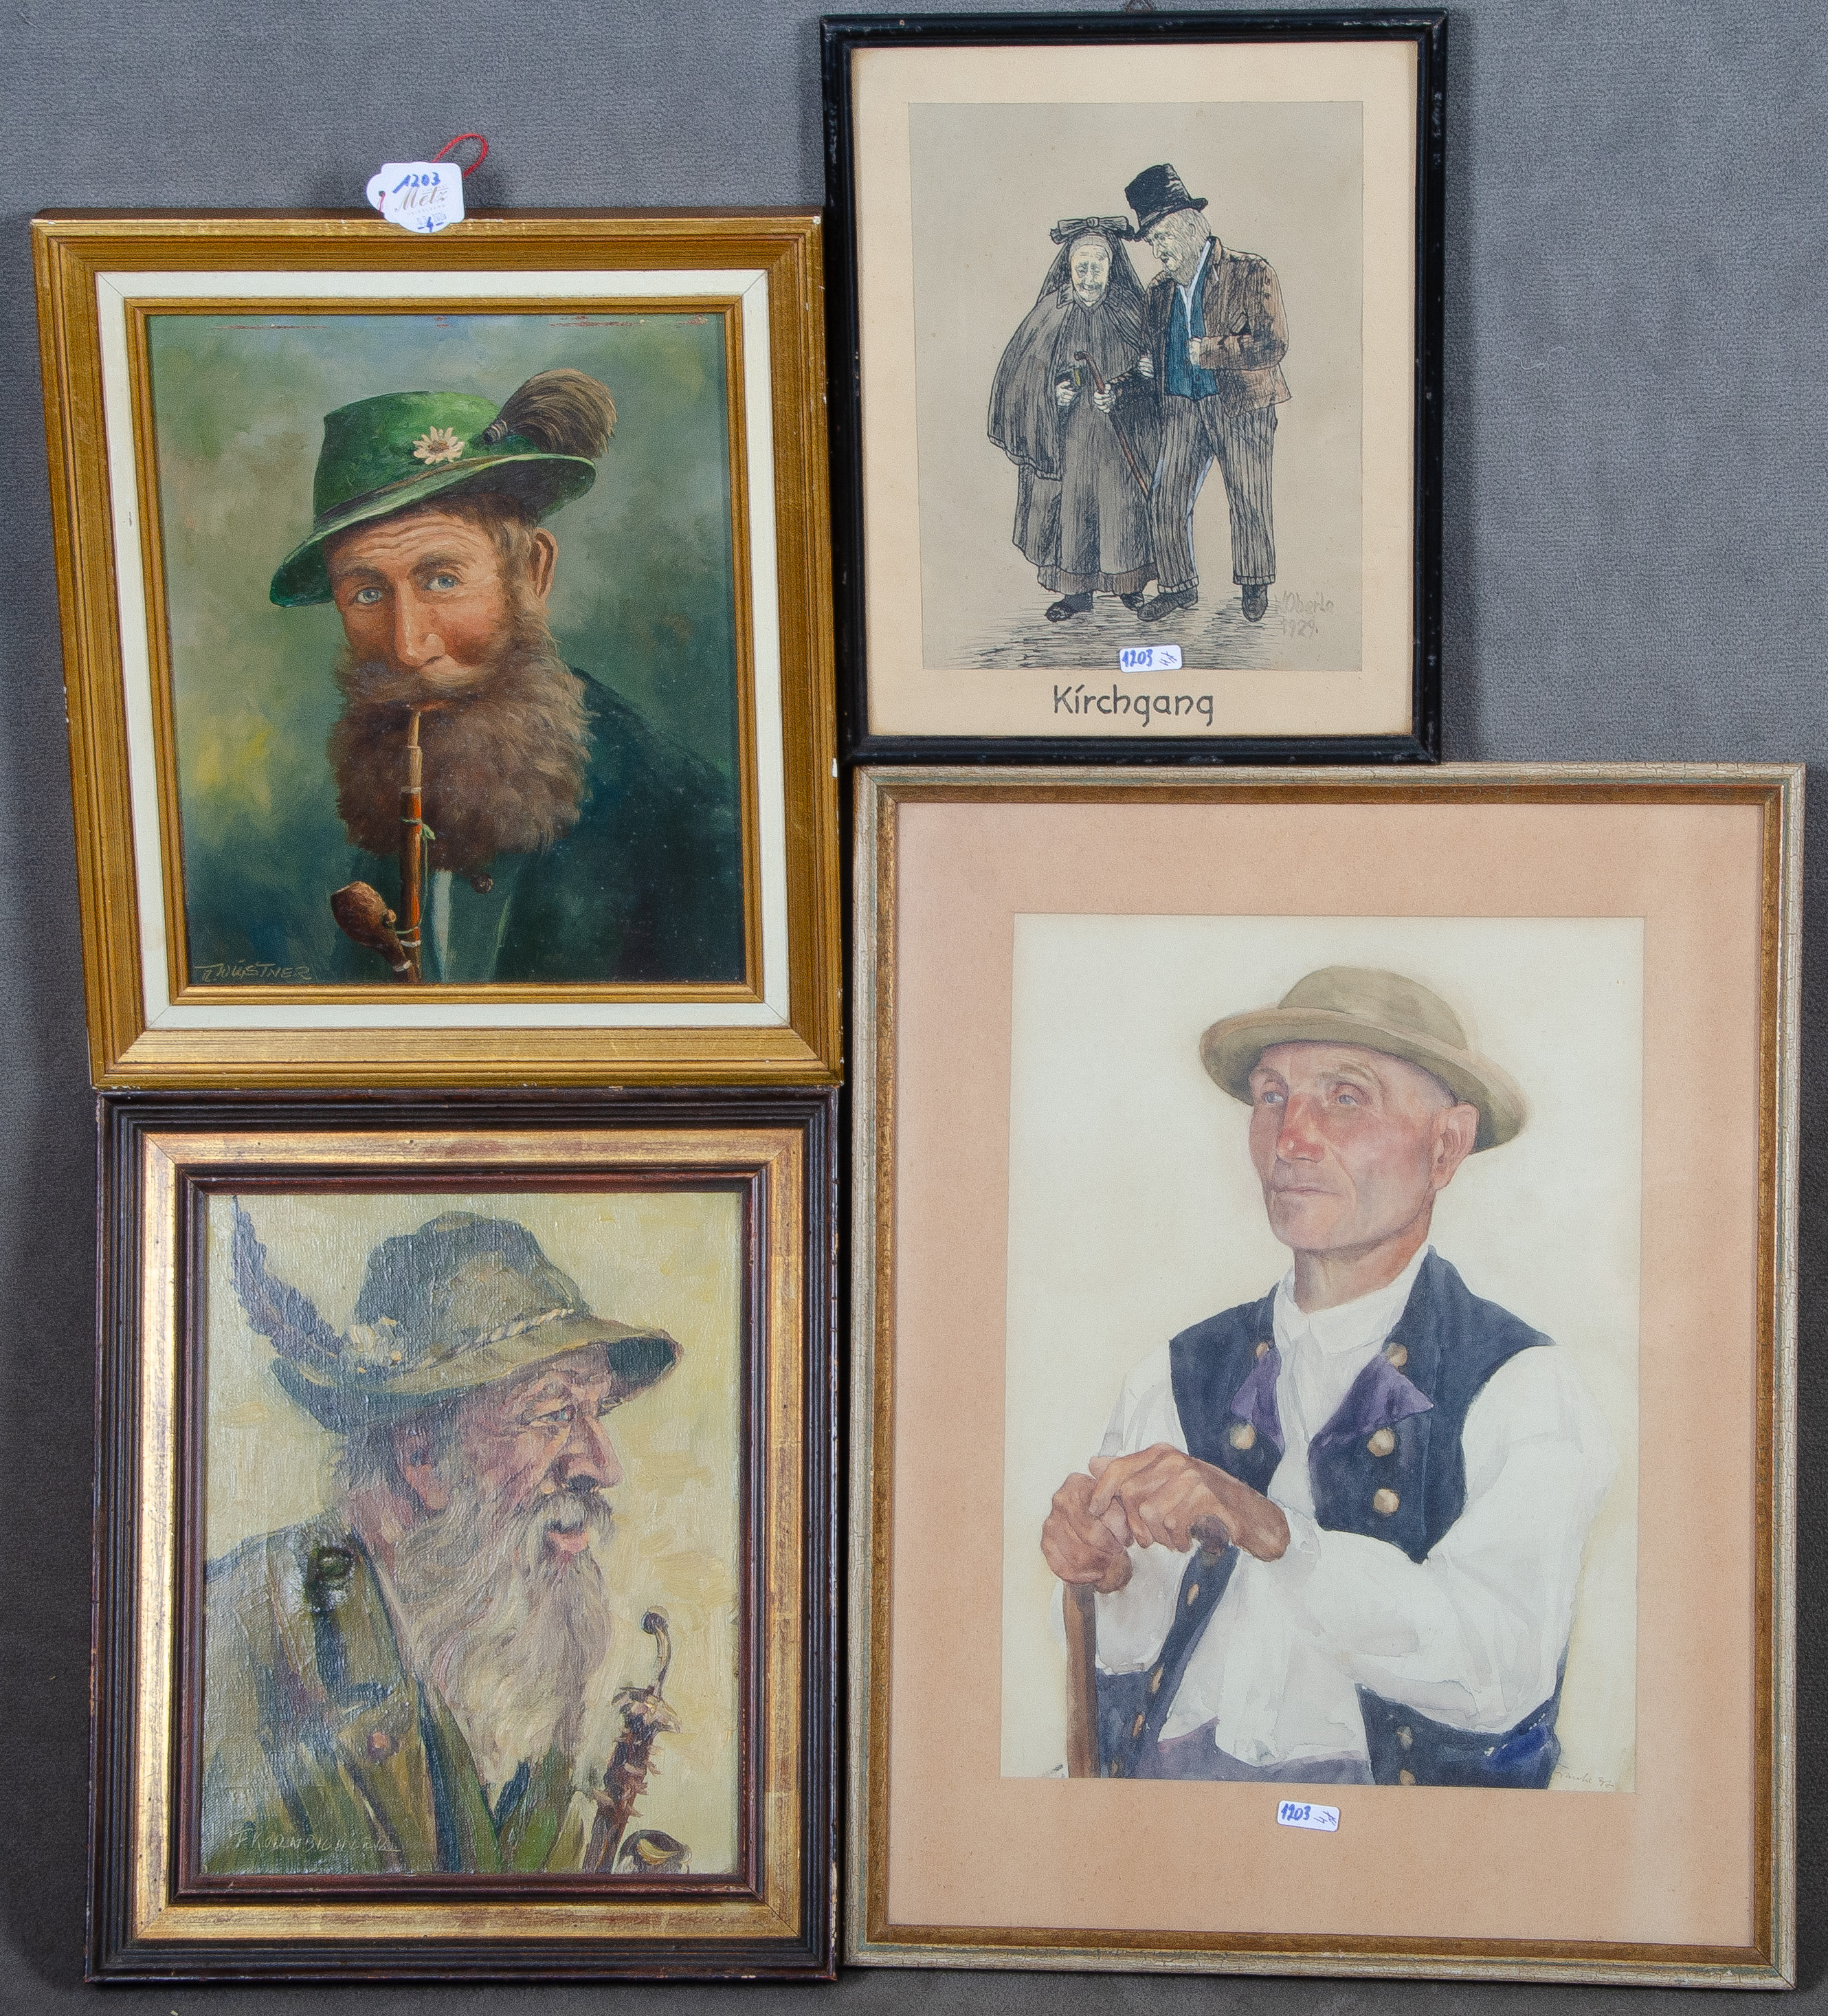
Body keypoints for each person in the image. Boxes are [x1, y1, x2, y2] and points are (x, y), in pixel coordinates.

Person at [1040, 966, 1616, 1787]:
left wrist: (1275, 1532)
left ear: (1445, 1145)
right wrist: (1107, 1573)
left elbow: (1497, 1674)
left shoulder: (1522, 1383)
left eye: (1345, 1098)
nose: (1291, 1138)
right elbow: (1133, 1656)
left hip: (1394, 1841)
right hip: (1171, 1811)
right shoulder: (1174, 1370)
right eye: (1271, 1096)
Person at [202, 1206, 683, 1873]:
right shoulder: (232, 1634)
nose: (603, 1465)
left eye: (596, 1411)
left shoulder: (527, 1668)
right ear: (422, 1455)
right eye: (552, 1412)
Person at [268, 370, 746, 984]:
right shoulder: (394, 788)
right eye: (366, 593)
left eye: (442, 580)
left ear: (533, 572)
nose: (408, 647)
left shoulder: (691, 825)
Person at [1122, 164, 1290, 626]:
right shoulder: (1158, 290)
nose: (1157, 250)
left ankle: (1254, 582)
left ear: (1189, 227)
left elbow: (1274, 344)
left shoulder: (1250, 271)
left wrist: (1214, 351)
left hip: (1239, 403)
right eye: (1151, 242)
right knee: (1165, 497)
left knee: (1248, 496)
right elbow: (1151, 349)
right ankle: (1177, 586)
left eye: (1161, 237)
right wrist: (1147, 368)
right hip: (1180, 404)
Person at [986, 219, 1160, 621]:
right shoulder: (1052, 310)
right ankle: (1076, 595)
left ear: (1112, 266)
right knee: (1073, 509)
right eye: (1082, 266)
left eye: (1098, 265)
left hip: (1122, 434)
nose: (1089, 275)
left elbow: (1153, 370)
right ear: (1069, 267)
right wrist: (1054, 394)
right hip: (1070, 438)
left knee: (1123, 507)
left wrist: (1126, 388)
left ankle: (1129, 584)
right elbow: (1022, 376)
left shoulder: (1132, 310)